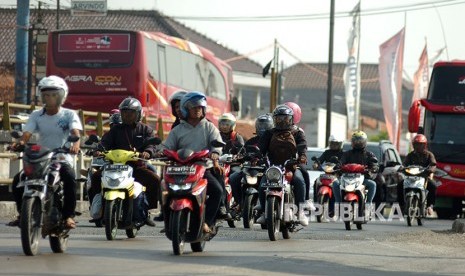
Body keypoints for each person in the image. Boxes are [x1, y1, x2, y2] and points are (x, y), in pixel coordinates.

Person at [7, 75, 82, 229]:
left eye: (54, 94)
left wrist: (75, 144)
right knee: (17, 180)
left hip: (62, 156)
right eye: (46, 94)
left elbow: (76, 133)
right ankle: (23, 214)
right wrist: (20, 143)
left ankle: (68, 216)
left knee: (69, 178)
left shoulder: (69, 115)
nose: (49, 98)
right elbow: (27, 134)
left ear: (62, 96)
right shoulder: (36, 115)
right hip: (41, 157)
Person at [161, 91, 230, 233]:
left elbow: (217, 144)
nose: (198, 110)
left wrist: (215, 153)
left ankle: (207, 222)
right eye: (194, 107)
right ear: (186, 109)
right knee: (164, 188)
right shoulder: (178, 129)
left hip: (203, 169)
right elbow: (167, 147)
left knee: (217, 190)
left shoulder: (209, 127)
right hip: (180, 169)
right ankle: (167, 220)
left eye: (200, 107)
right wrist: (160, 152)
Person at [89, 97, 160, 227]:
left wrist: (148, 152)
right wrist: (98, 150)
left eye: (131, 112)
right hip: (114, 166)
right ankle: (99, 210)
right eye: (124, 112)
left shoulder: (145, 130)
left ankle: (146, 211)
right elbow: (105, 142)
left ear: (138, 114)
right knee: (95, 177)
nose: (127, 115)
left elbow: (152, 145)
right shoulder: (115, 129)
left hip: (136, 166)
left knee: (155, 180)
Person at [256, 104, 309, 226]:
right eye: (279, 118)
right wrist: (256, 157)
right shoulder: (269, 133)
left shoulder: (297, 132)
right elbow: (261, 148)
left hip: (291, 166)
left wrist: (302, 156)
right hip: (273, 167)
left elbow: (302, 145)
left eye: (285, 118)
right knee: (262, 185)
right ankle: (265, 212)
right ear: (275, 119)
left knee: (300, 181)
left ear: (291, 119)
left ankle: (300, 212)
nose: (282, 121)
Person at [229, 113, 273, 211]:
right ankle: (239, 202)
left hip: (266, 170)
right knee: (233, 177)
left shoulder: (273, 141)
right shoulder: (251, 141)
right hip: (250, 169)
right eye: (261, 125)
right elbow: (243, 153)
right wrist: (239, 157)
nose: (263, 127)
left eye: (266, 125)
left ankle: (267, 207)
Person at [332, 131, 378, 211]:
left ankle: (368, 205)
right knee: (335, 183)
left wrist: (373, 167)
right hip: (346, 178)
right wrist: (338, 166)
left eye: (360, 141)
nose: (358, 143)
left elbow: (374, 164)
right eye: (355, 140)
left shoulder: (369, 154)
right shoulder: (347, 153)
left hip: (362, 179)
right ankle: (338, 204)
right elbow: (341, 161)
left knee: (373, 184)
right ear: (352, 142)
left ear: (365, 142)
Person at [396, 134, 437, 216]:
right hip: (411, 177)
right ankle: (401, 205)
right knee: (399, 185)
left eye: (420, 144)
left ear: (424, 145)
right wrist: (401, 168)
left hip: (424, 177)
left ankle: (430, 206)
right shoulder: (410, 155)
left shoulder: (429, 155)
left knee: (433, 185)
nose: (418, 146)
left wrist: (431, 169)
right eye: (416, 144)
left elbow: (433, 164)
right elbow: (404, 164)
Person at [312, 134, 344, 215]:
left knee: (339, 186)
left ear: (340, 144)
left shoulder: (343, 154)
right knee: (316, 182)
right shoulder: (327, 152)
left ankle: (339, 206)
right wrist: (316, 164)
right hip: (327, 174)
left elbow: (345, 162)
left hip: (338, 175)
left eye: (336, 144)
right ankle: (316, 204)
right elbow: (320, 159)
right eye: (332, 143)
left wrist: (342, 168)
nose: (334, 145)